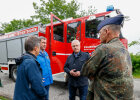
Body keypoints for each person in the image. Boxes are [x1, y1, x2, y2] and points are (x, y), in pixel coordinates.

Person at [81, 14, 134, 100]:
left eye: (100, 33)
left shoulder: (103, 49)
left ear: (106, 31)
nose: (99, 37)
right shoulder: (125, 50)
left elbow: (86, 71)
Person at [13, 36, 47, 100]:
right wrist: (44, 93)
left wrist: (38, 78)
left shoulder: (24, 59)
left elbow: (27, 79)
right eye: (39, 47)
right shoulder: (31, 63)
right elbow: (38, 87)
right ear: (35, 48)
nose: (39, 50)